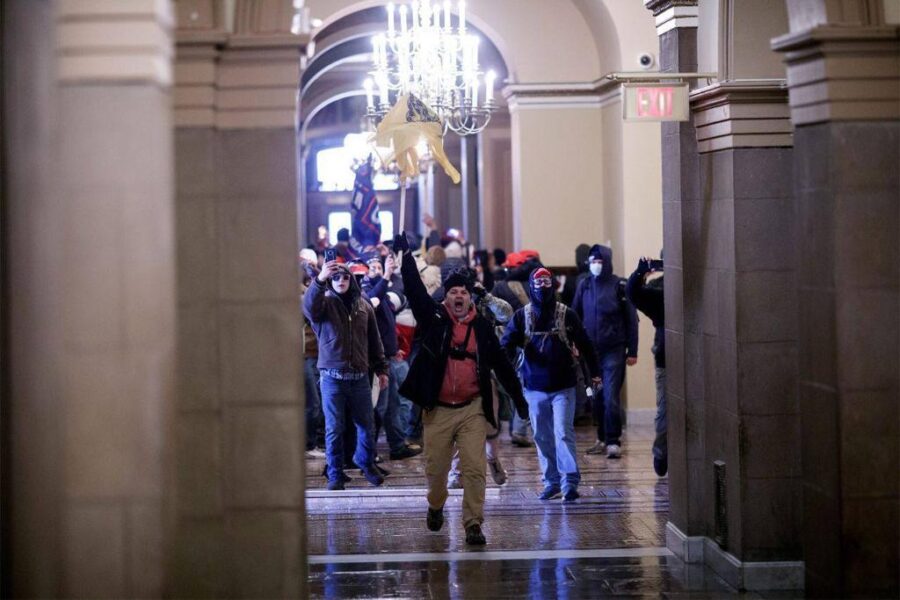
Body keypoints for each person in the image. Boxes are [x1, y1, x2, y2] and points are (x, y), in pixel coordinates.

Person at [394, 232, 528, 546]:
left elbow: (502, 366)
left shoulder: (481, 327)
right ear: (446, 297)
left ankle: (473, 524)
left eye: (463, 292)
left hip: (471, 408)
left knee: (474, 469)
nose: (458, 296)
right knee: (437, 471)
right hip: (438, 409)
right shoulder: (434, 319)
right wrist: (405, 257)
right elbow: (413, 290)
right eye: (453, 291)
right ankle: (436, 503)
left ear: (470, 297)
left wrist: (519, 401)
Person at [501, 268, 600, 502]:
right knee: (542, 436)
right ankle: (552, 481)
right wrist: (510, 364)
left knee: (563, 433)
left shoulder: (566, 315)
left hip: (563, 386)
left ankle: (569, 482)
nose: (543, 289)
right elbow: (505, 344)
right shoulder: (521, 316)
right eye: (539, 283)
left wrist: (594, 374)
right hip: (533, 387)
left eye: (547, 283)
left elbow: (585, 345)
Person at [303, 260, 389, 490]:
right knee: (334, 428)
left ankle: (366, 462)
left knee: (366, 424)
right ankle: (335, 474)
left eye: (345, 277)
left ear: (351, 280)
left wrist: (381, 369)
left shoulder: (364, 306)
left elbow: (374, 340)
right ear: (330, 281)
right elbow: (309, 307)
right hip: (332, 377)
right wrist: (320, 279)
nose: (341, 281)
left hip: (359, 376)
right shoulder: (324, 305)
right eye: (336, 278)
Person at [572, 244, 639, 459]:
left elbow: (631, 320)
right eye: (593, 262)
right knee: (597, 396)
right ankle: (601, 438)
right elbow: (575, 316)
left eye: (600, 261)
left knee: (610, 395)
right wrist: (574, 342)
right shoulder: (584, 285)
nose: (596, 265)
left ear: (607, 262)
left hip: (614, 350)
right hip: (591, 352)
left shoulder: (619, 286)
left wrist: (633, 350)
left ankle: (613, 440)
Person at [361, 253, 421, 461]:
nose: (377, 270)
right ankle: (369, 452)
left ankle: (397, 445)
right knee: (378, 407)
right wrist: (385, 275)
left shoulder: (385, 291)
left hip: (390, 356)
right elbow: (371, 303)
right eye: (373, 267)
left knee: (394, 405)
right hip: (378, 361)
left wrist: (395, 347)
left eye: (380, 266)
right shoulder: (365, 290)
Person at [626, 256, 667, 476]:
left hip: (696, 360)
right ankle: (661, 454)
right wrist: (639, 273)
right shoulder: (660, 290)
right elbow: (634, 294)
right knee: (665, 413)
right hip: (666, 361)